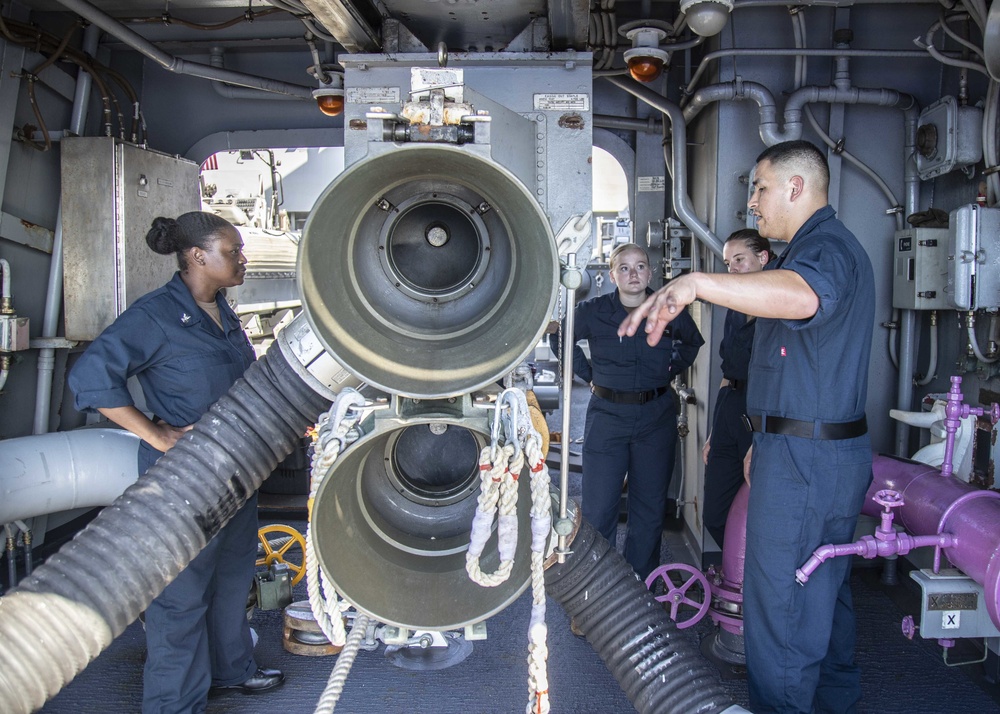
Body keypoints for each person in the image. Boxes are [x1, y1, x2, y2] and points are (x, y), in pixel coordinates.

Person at [619, 140, 874, 714]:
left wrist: (696, 284)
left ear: (795, 187)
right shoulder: (806, 251)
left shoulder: (824, 251)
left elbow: (805, 297)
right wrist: (764, 434)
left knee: (781, 605)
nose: (752, 203)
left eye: (759, 188)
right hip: (804, 450)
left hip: (808, 462)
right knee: (824, 596)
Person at [69, 211, 284, 713]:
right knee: (180, 595)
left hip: (237, 472)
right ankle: (174, 703)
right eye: (231, 251)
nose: (242, 259)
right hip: (185, 480)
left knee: (232, 580)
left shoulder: (222, 311)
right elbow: (90, 377)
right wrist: (155, 433)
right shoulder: (155, 315)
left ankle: (231, 671)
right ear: (196, 257)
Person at [572, 243, 704, 580]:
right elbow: (563, 339)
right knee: (599, 510)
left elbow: (692, 342)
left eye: (641, 266)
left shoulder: (671, 309)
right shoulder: (593, 311)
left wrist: (669, 369)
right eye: (625, 268)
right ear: (612, 274)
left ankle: (641, 589)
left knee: (648, 510)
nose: (634, 274)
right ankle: (597, 595)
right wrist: (589, 375)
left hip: (655, 418)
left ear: (651, 272)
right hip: (607, 417)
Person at [702, 229, 774, 550]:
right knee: (715, 514)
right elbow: (726, 369)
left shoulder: (777, 310)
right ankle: (740, 579)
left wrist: (762, 438)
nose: (732, 270)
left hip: (760, 408)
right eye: (728, 263)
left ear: (763, 258)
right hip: (729, 403)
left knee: (760, 510)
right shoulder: (734, 307)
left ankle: (754, 590)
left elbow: (780, 379)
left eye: (739, 260)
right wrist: (714, 430)